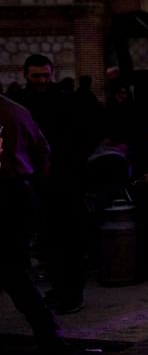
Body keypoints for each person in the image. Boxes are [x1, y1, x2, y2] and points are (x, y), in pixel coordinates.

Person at [17, 54, 94, 315]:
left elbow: (82, 135)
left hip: (65, 181)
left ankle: (71, 293)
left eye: (45, 75)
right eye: (36, 76)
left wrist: (68, 164)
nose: (41, 80)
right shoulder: (22, 103)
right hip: (36, 182)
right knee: (48, 240)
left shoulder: (64, 101)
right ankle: (59, 290)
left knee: (69, 240)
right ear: (26, 75)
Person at [0, 93, 71, 355]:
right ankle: (51, 343)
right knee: (17, 276)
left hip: (7, 193)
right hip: (20, 192)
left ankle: (52, 345)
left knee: (15, 277)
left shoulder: (11, 112)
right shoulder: (17, 110)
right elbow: (43, 150)